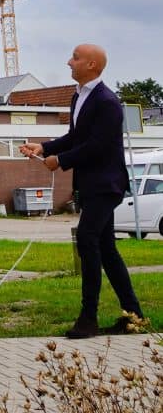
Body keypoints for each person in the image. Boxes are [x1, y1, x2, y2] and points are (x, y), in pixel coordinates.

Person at [20, 44, 144, 338]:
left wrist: (60, 160)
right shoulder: (79, 97)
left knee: (88, 240)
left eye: (75, 58)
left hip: (106, 184)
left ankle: (88, 318)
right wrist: (45, 147)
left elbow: (98, 145)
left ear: (91, 65)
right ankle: (135, 316)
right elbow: (77, 136)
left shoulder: (107, 102)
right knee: (107, 249)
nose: (68, 62)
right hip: (90, 184)